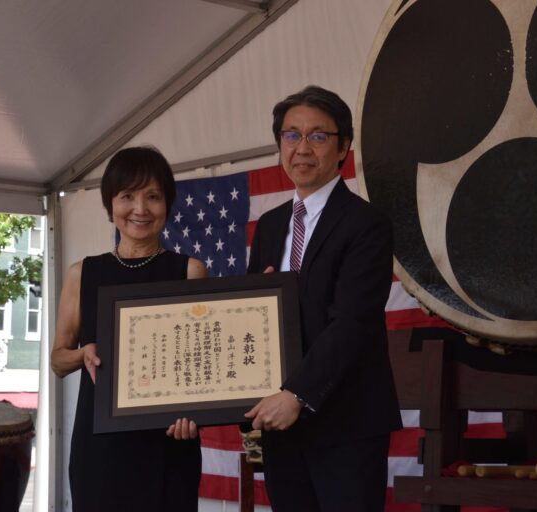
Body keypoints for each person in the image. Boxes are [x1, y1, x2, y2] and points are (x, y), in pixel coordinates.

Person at [244, 86, 402, 511]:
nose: (302, 148)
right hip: (280, 426)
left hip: (346, 422)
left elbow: (353, 321)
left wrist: (296, 394)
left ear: (343, 147)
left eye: (317, 136)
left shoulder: (366, 224)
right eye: (291, 135)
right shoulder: (270, 226)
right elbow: (250, 322)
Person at [50, 146, 206, 512]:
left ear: (167, 204)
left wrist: (195, 413)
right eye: (127, 196)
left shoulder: (189, 271)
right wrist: (83, 353)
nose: (140, 209)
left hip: (168, 441)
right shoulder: (82, 273)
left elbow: (202, 365)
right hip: (99, 447)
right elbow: (58, 360)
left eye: (153, 196)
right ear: (110, 205)